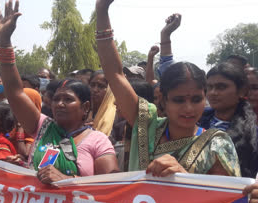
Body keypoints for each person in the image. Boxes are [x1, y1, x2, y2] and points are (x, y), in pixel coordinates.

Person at [96, 0, 240, 176]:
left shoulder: (216, 145)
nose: (189, 108)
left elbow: (227, 199)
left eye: (196, 99)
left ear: (205, 98)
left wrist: (183, 178)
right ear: (163, 100)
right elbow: (115, 74)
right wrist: (102, 9)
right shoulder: (146, 124)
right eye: (179, 100)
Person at [0, 0, 119, 184]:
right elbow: (15, 92)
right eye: (56, 99)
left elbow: (111, 186)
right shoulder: (43, 126)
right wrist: (5, 42)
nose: (59, 104)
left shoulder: (98, 141)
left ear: (85, 107)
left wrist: (67, 180)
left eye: (68, 99)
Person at [198, 62, 258, 178]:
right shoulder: (195, 123)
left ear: (241, 91)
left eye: (221, 87)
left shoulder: (253, 135)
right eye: (209, 87)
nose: (213, 93)